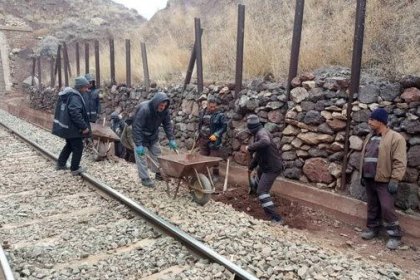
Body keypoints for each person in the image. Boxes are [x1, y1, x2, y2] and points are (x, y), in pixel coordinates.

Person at [359, 108, 407, 250]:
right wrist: (363, 174)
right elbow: (365, 156)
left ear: (381, 121)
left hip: (384, 179)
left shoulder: (396, 138)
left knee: (386, 207)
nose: (369, 122)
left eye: (372, 120)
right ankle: (372, 229)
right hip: (369, 178)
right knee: (372, 205)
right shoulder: (370, 137)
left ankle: (395, 235)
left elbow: (400, 161)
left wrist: (395, 179)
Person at [132, 92, 177, 187]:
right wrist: (138, 144)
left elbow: (167, 125)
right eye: (161, 105)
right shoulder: (145, 109)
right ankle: (145, 178)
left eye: (164, 105)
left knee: (157, 154)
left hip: (153, 135)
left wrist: (171, 139)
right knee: (141, 157)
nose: (162, 107)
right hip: (140, 135)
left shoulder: (165, 111)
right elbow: (137, 127)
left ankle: (158, 173)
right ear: (156, 103)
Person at [246, 114, 284, 224]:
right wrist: (251, 167)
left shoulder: (262, 133)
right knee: (256, 178)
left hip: (272, 168)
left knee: (262, 191)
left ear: (251, 128)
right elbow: (258, 155)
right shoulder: (259, 132)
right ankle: (253, 192)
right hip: (265, 165)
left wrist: (249, 147)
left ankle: (276, 218)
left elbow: (266, 142)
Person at [52, 76, 91, 175]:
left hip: (67, 127)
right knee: (78, 147)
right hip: (73, 128)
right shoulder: (75, 97)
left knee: (69, 145)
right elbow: (75, 113)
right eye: (85, 87)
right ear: (80, 87)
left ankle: (61, 164)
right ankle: (74, 168)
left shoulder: (70, 95)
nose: (87, 89)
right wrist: (84, 127)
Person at [197, 96, 227, 178]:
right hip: (203, 139)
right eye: (211, 107)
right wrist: (199, 133)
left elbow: (224, 127)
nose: (213, 108)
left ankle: (215, 175)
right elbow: (200, 124)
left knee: (214, 160)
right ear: (208, 105)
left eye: (214, 106)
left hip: (214, 141)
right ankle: (203, 176)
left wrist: (216, 134)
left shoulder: (220, 115)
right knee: (203, 158)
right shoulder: (203, 112)